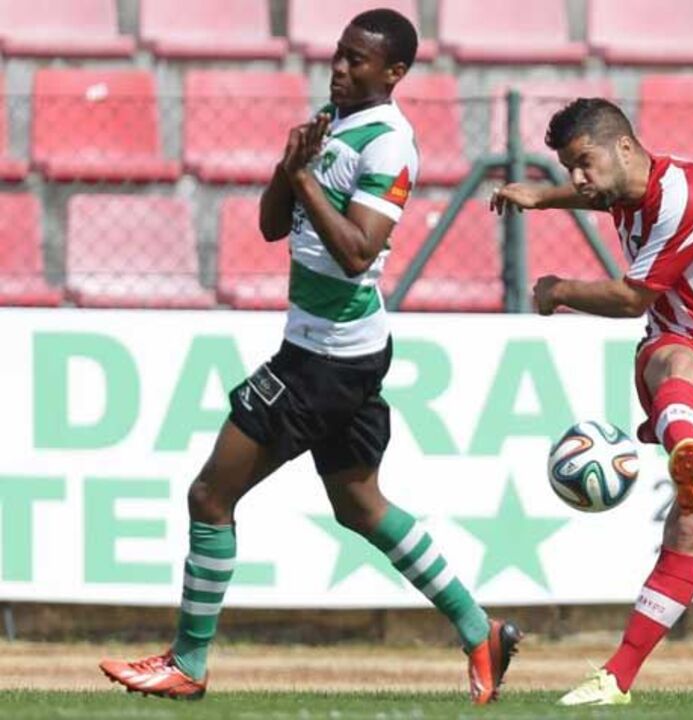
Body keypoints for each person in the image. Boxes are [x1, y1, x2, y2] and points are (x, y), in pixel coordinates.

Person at [100, 8, 520, 705]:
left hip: (322, 361)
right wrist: (287, 167)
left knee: (210, 495)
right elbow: (271, 227)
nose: (340, 67)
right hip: (337, 351)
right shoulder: (333, 121)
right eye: (338, 54)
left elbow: (357, 252)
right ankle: (481, 631)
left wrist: (302, 180)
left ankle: (189, 663)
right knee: (360, 506)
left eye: (358, 60)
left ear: (395, 73)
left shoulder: (390, 143)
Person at [491, 98, 693, 706]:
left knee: (691, 522)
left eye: (583, 163)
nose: (578, 178)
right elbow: (600, 197)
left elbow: (632, 298)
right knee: (672, 353)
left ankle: (619, 674)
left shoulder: (688, 196)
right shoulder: (627, 187)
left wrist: (556, 290)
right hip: (687, 346)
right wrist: (544, 196)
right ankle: (687, 444)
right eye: (570, 168)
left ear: (624, 148)